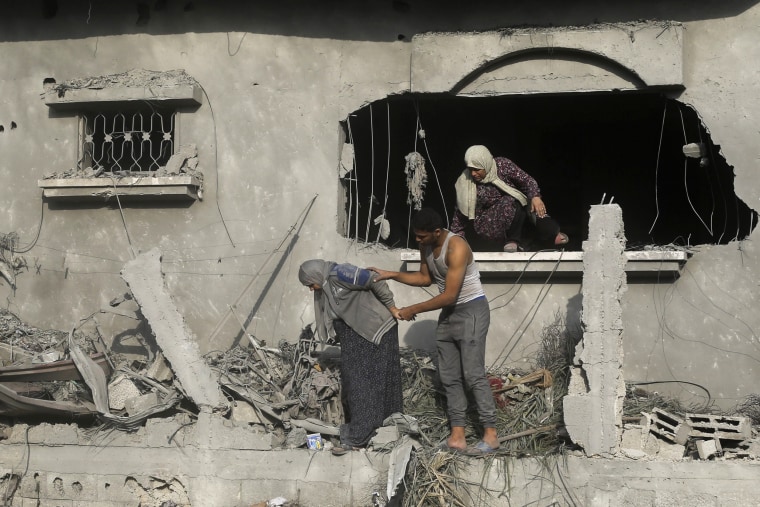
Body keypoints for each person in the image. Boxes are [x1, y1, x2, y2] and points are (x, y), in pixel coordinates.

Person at [369, 208, 500, 456]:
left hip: (471, 311)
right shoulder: (426, 245)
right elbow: (424, 277)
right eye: (416, 236)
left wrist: (412, 309)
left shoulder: (457, 247)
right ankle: (458, 437)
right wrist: (392, 275)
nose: (417, 241)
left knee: (472, 374)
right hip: (449, 314)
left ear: (436, 232)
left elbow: (450, 294)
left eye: (421, 237)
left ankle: (491, 436)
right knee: (449, 376)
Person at [298, 259, 404, 455]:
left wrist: (392, 307)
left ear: (315, 276)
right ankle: (381, 429)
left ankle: (360, 436)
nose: (312, 289)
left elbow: (374, 278)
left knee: (362, 384)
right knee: (363, 382)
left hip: (374, 331)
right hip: (358, 337)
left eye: (310, 284)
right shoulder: (328, 285)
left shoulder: (340, 273)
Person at [450, 144, 568, 252]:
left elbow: (527, 181)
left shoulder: (502, 165)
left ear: (485, 163)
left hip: (516, 210)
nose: (473, 174)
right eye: (470, 169)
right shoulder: (465, 182)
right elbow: (460, 214)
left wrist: (535, 197)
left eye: (477, 169)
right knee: (512, 200)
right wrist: (456, 241)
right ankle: (513, 240)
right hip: (488, 224)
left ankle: (550, 234)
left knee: (529, 205)